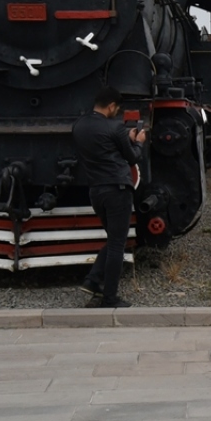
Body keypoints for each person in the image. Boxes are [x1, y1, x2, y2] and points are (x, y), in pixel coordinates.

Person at [72, 87, 147, 308]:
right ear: (112, 106)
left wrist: (125, 139)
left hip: (96, 191)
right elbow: (132, 156)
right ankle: (110, 298)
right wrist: (138, 141)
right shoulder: (115, 127)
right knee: (117, 244)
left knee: (113, 238)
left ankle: (93, 280)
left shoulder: (79, 126)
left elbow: (103, 148)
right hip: (118, 189)